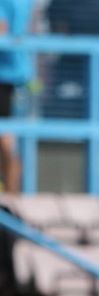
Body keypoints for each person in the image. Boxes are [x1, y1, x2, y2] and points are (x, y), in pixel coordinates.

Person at [0, 0, 33, 194]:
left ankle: (11, 195)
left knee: (6, 139)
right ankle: (12, 195)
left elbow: (1, 29)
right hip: (19, 74)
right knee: (8, 138)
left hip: (4, 77)